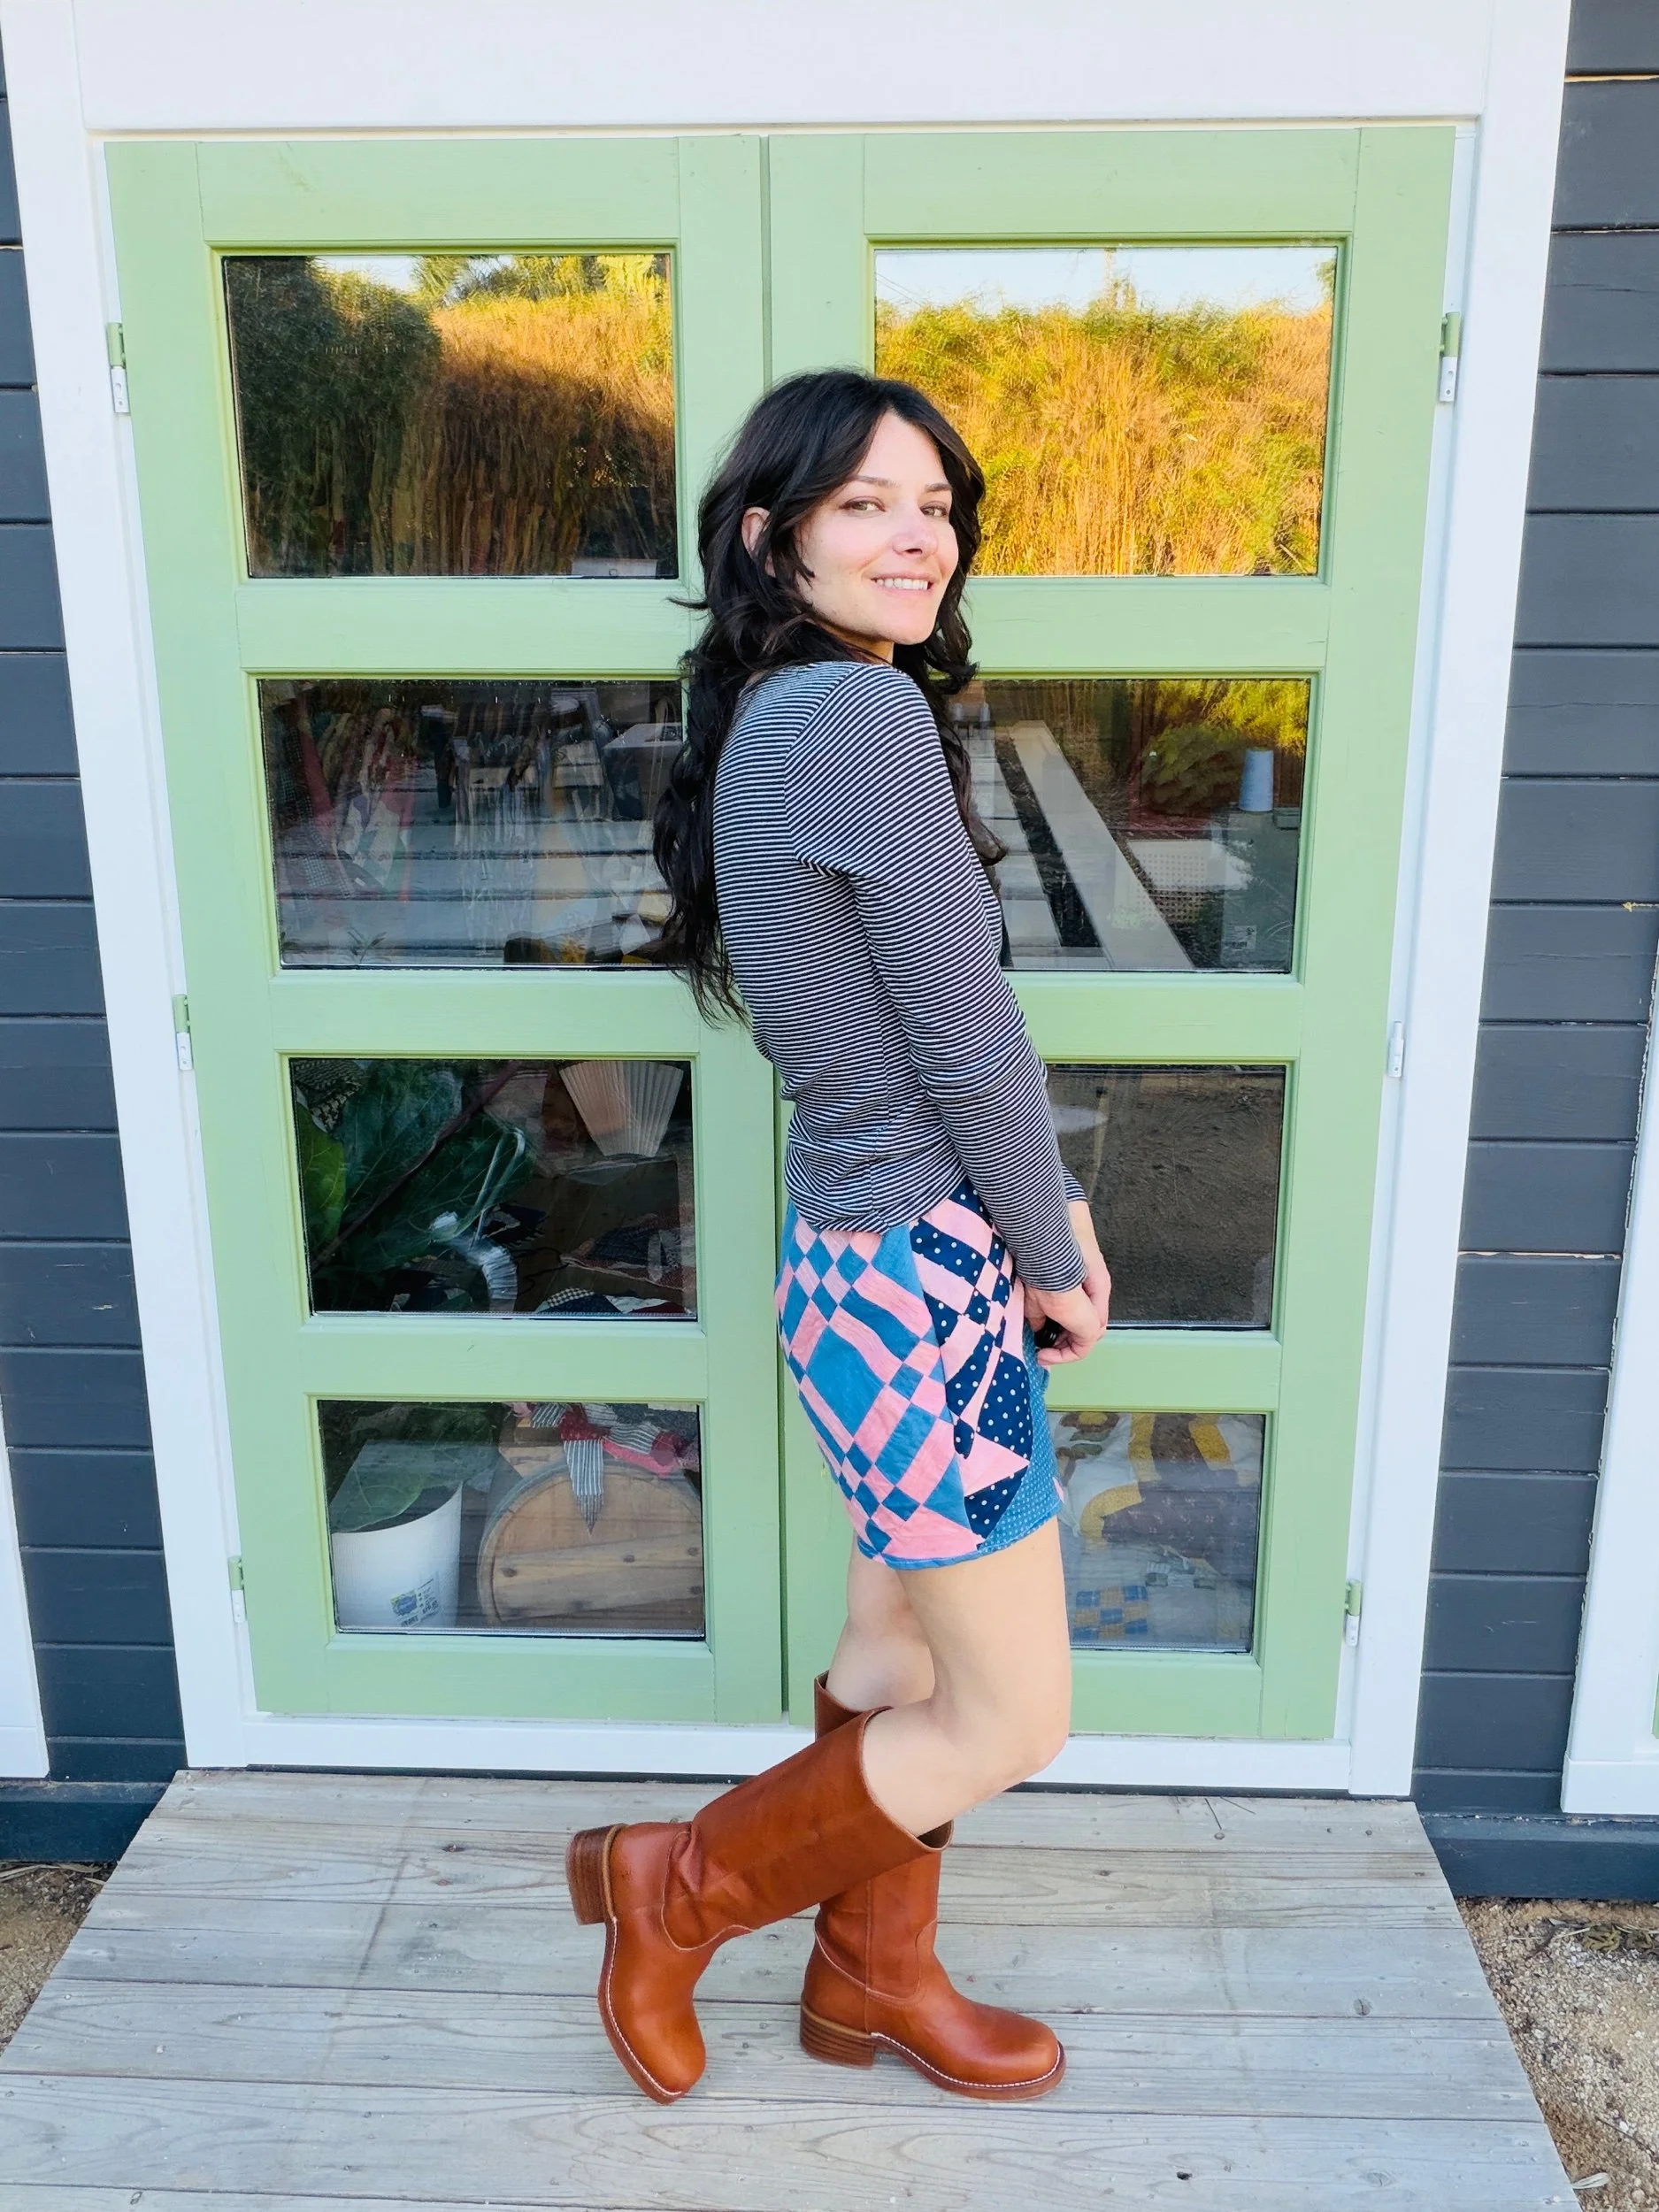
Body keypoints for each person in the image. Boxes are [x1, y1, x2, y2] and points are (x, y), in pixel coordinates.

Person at [565, 369, 1113, 2106]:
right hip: (926, 1279)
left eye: (933, 505)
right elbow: (967, 1035)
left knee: (894, 1661)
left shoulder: (780, 710)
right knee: (1011, 1715)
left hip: (860, 1265)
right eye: (865, 503)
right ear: (770, 537)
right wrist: (1053, 1244)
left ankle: (872, 1974)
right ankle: (676, 1888)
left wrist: (1025, 1225)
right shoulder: (858, 718)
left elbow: (908, 1032)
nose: (915, 536)